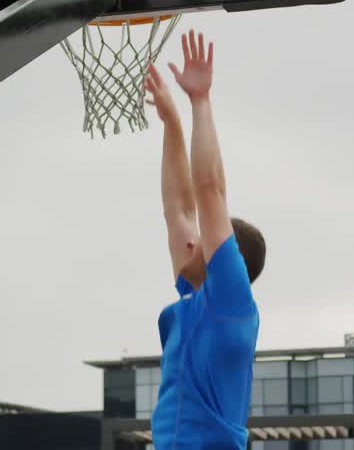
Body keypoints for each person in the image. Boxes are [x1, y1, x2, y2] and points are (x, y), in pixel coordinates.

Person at [142, 29, 267, 450]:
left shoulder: (232, 303)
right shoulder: (192, 302)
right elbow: (177, 207)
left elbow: (208, 188)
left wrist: (200, 102)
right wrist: (171, 121)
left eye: (202, 237)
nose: (189, 240)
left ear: (227, 261)